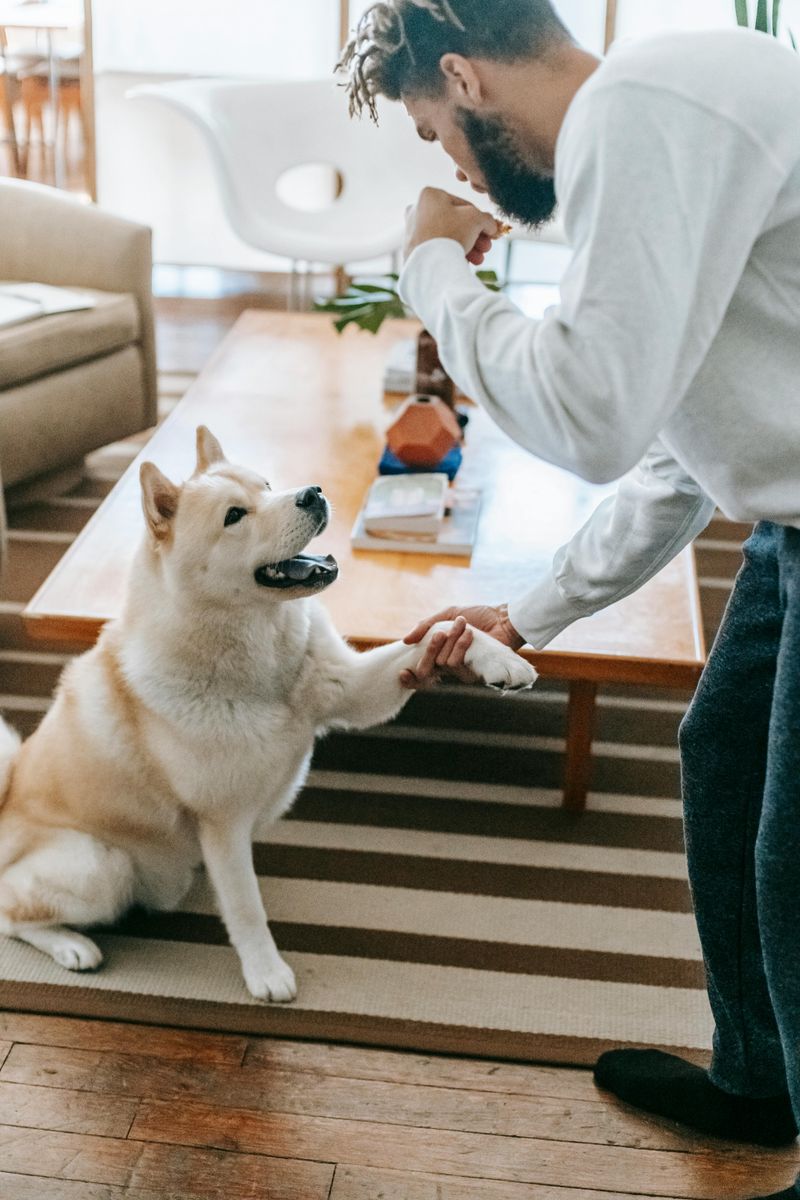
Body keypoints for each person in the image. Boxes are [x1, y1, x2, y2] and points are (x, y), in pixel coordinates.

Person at [337, 3, 800, 1196]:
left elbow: (588, 420)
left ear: (462, 80)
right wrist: (529, 614)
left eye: (438, 136)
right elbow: (669, 449)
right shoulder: (651, 116)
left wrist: (428, 267)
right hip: (786, 521)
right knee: (725, 763)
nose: (448, 165)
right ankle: (759, 1082)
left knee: (793, 858)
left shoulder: (642, 113)